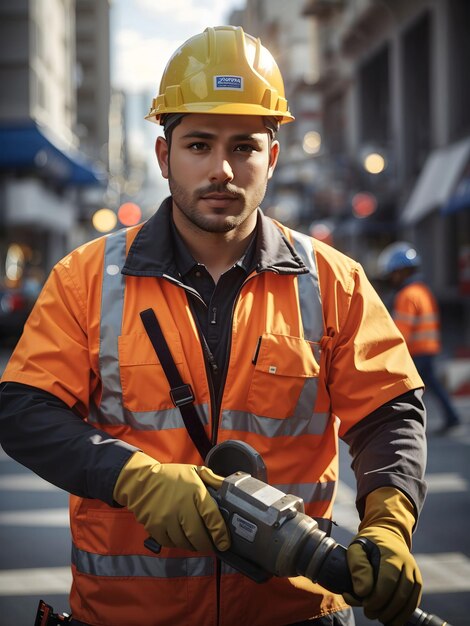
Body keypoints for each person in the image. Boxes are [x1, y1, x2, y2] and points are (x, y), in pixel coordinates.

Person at [0, 26, 427, 626]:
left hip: (296, 611)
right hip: (128, 616)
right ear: (163, 154)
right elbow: (23, 410)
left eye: (245, 147)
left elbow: (388, 412)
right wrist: (135, 478)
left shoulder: (335, 281)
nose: (222, 169)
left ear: (272, 157)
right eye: (199, 144)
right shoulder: (86, 278)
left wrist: (388, 523)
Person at [378, 241, 462, 436]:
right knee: (429, 386)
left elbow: (401, 331)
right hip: (428, 348)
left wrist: (390, 354)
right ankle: (452, 418)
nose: (392, 278)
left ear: (400, 271)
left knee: (404, 390)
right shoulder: (422, 290)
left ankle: (404, 428)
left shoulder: (406, 295)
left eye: (393, 273)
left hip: (416, 351)